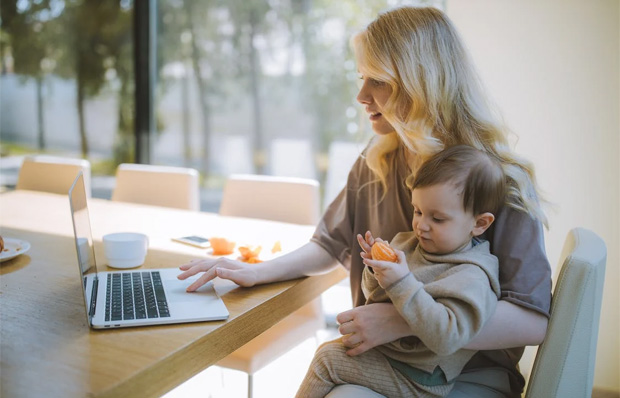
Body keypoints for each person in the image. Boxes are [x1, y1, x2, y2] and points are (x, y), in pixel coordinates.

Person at [178, 6, 551, 397]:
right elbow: (328, 245)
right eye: (361, 78)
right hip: (387, 358)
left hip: (467, 375)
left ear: (421, 83)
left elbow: (531, 321)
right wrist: (257, 272)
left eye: (378, 81)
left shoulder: (498, 181)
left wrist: (403, 319)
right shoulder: (377, 160)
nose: (361, 95)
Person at [296, 145, 505, 398]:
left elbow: (448, 337)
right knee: (330, 351)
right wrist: (375, 270)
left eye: (437, 219)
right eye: (417, 211)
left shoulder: (472, 274)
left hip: (421, 377)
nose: (421, 226)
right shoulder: (409, 244)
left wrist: (402, 282)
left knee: (327, 360)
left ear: (480, 223)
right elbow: (375, 296)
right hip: (391, 356)